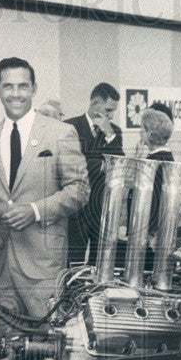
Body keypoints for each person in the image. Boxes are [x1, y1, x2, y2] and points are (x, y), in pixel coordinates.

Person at [0, 57, 88, 324]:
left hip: (42, 266)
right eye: (8, 86)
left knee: (47, 341)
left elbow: (79, 189)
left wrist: (35, 211)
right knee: (0, 345)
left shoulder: (60, 133)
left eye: (23, 86)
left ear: (34, 89)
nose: (16, 94)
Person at [65, 83, 125, 264]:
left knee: (98, 260)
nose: (111, 115)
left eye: (113, 111)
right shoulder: (69, 126)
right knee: (73, 258)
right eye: (108, 109)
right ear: (94, 103)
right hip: (75, 207)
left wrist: (109, 135)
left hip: (101, 206)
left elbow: (119, 166)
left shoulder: (115, 132)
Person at [116, 108, 175, 270]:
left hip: (147, 236)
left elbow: (155, 201)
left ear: (150, 134)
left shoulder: (157, 161)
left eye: (142, 129)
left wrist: (147, 234)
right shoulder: (158, 157)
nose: (139, 133)